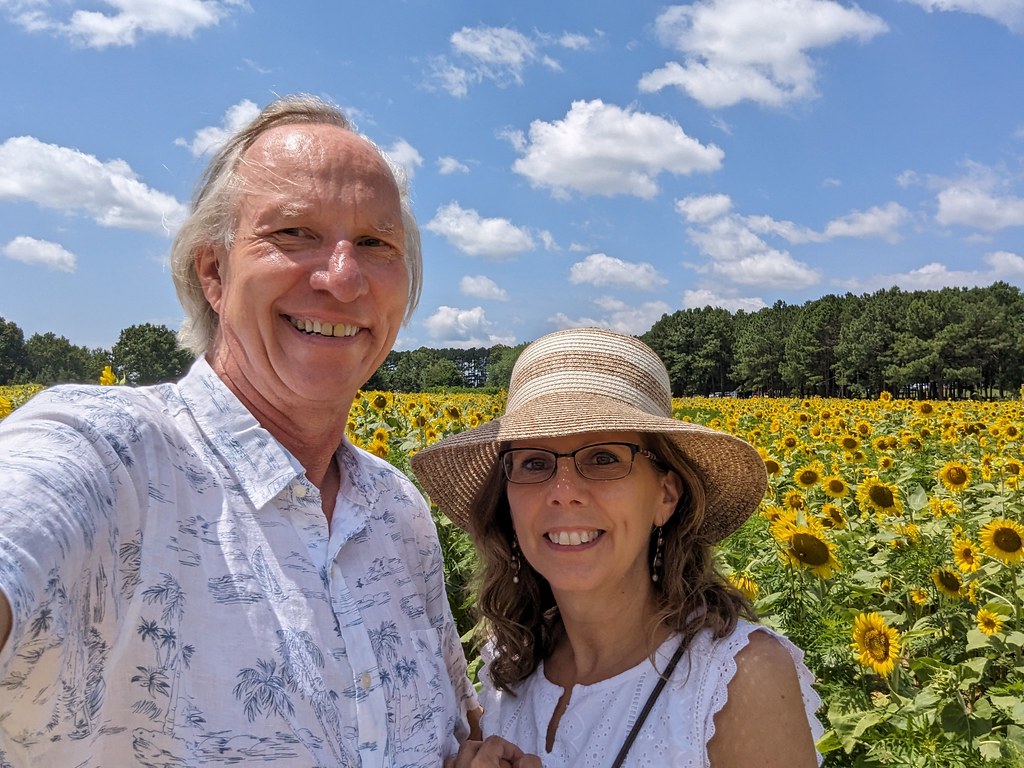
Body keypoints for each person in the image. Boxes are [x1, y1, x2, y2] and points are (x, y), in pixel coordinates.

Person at [0, 95, 479, 767]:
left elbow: (445, 727)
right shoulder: (115, 460)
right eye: (293, 233)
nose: (342, 279)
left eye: (375, 243)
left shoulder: (397, 510)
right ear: (214, 272)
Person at [411, 327, 823, 768]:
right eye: (533, 462)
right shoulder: (508, 666)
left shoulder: (737, 680)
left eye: (604, 458)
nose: (563, 492)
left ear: (666, 495)